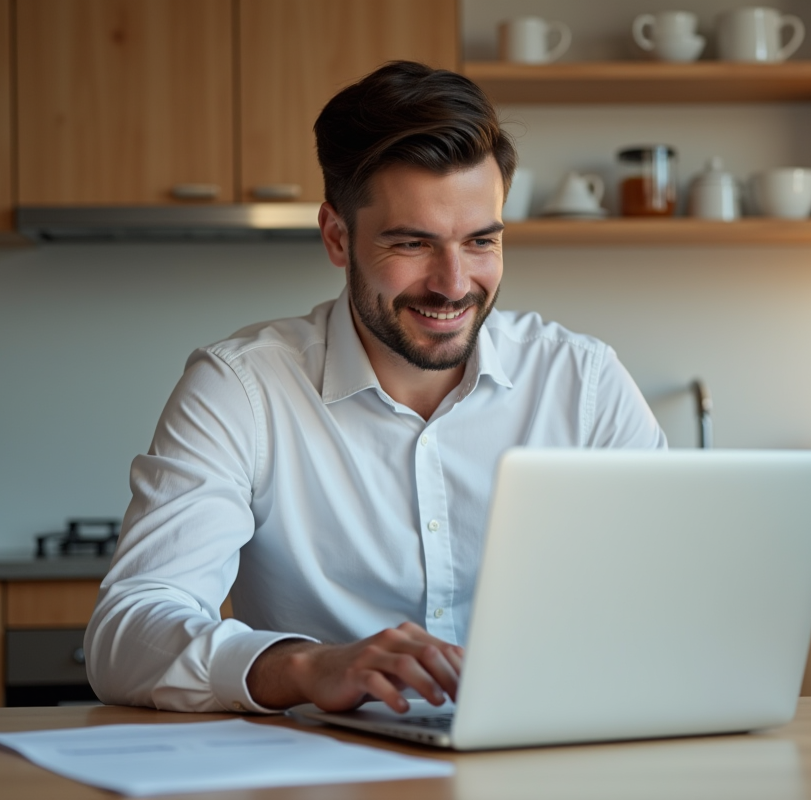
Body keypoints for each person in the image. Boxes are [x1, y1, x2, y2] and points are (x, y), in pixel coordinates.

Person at [85, 61, 666, 716]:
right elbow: (125, 636)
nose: (453, 284)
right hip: (321, 760)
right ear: (338, 238)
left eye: (481, 241)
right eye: (413, 244)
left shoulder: (584, 382)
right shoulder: (242, 389)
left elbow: (678, 594)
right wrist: (306, 666)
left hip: (545, 751)